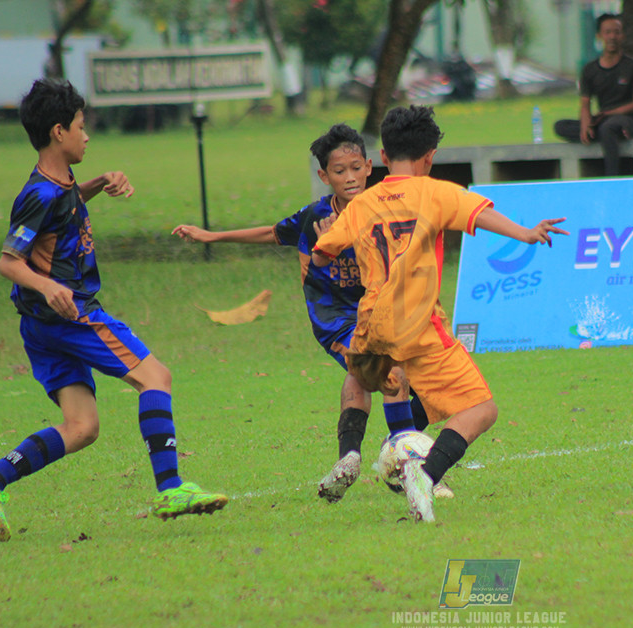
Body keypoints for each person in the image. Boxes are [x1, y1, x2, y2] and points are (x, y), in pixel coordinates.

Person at [0, 79, 227, 543]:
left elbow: (62, 211)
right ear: (58, 132)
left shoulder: (59, 184)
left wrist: (98, 182)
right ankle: (171, 489)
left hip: (41, 326)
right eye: (80, 125)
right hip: (73, 315)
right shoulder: (38, 195)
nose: (86, 134)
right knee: (156, 377)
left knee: (82, 426)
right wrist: (48, 284)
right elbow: (8, 262)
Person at [312, 105, 567, 522]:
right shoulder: (434, 191)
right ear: (429, 156)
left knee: (362, 382)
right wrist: (525, 233)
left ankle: (354, 453)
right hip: (418, 327)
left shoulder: (361, 204)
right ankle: (424, 475)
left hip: (372, 323)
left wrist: (323, 243)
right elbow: (478, 214)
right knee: (481, 409)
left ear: (383, 153)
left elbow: (323, 257)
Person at [172, 124, 440, 504]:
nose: (348, 178)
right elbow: (273, 233)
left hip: (379, 308)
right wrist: (211, 236)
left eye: (354, 168)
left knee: (414, 377)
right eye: (338, 171)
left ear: (368, 167)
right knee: (383, 370)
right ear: (323, 176)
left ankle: (374, 453)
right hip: (335, 314)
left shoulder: (386, 208)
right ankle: (396, 463)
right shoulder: (315, 217)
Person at [553, 13, 633, 176]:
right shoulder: (590, 70)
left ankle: (612, 176)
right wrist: (585, 123)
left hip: (628, 118)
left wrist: (609, 114)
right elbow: (585, 103)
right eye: (607, 32)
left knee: (608, 127)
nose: (612, 37)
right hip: (603, 120)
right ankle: (610, 135)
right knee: (561, 126)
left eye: (616, 32)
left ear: (622, 35)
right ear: (599, 36)